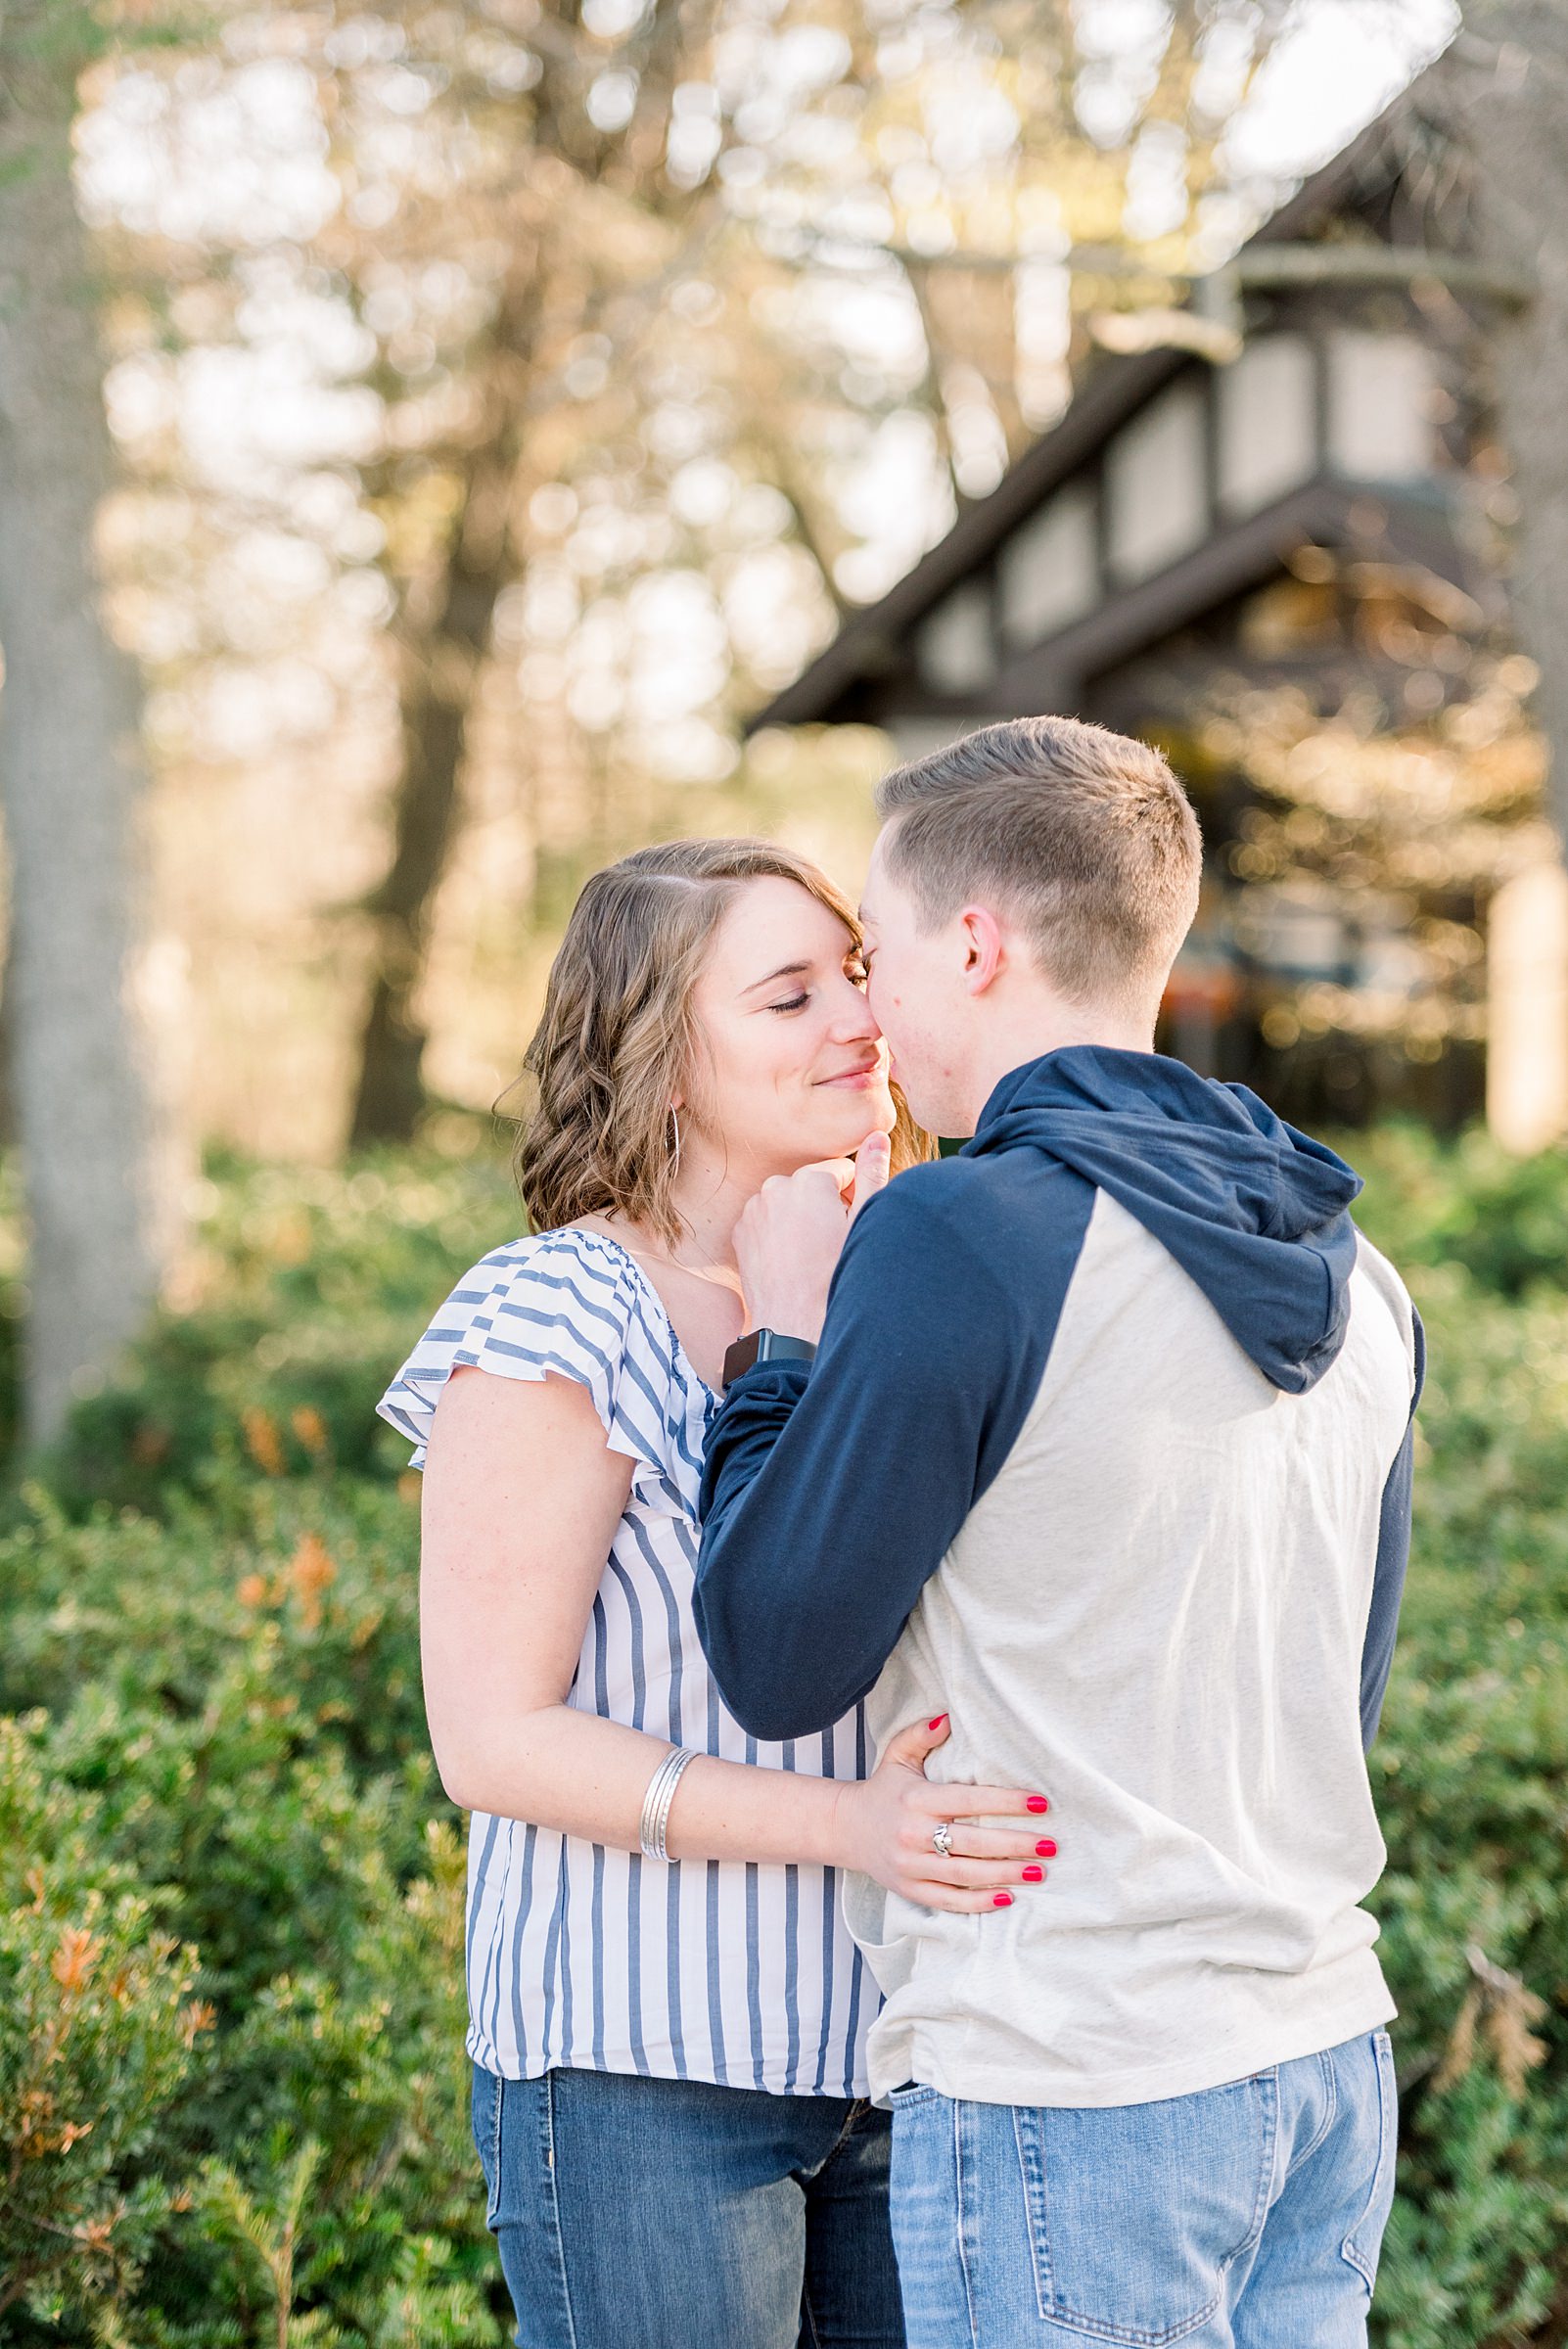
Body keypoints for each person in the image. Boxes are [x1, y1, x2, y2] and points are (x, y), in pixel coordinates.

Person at [693, 717, 1423, 2349]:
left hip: (1072, 2085)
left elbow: (770, 1649)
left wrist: (789, 1346)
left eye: (872, 957)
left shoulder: (961, 1235)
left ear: (972, 942)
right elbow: (1335, 1700)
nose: (865, 1010)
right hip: (1318, 2055)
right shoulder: (1361, 1278)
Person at [376, 838, 1053, 2349]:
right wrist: (849, 1830)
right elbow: (492, 1740)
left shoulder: (898, 1279)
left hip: (900, 2051)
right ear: (661, 1059)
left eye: (856, 976)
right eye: (787, 994)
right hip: (645, 2074)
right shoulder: (557, 1310)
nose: (856, 1022)